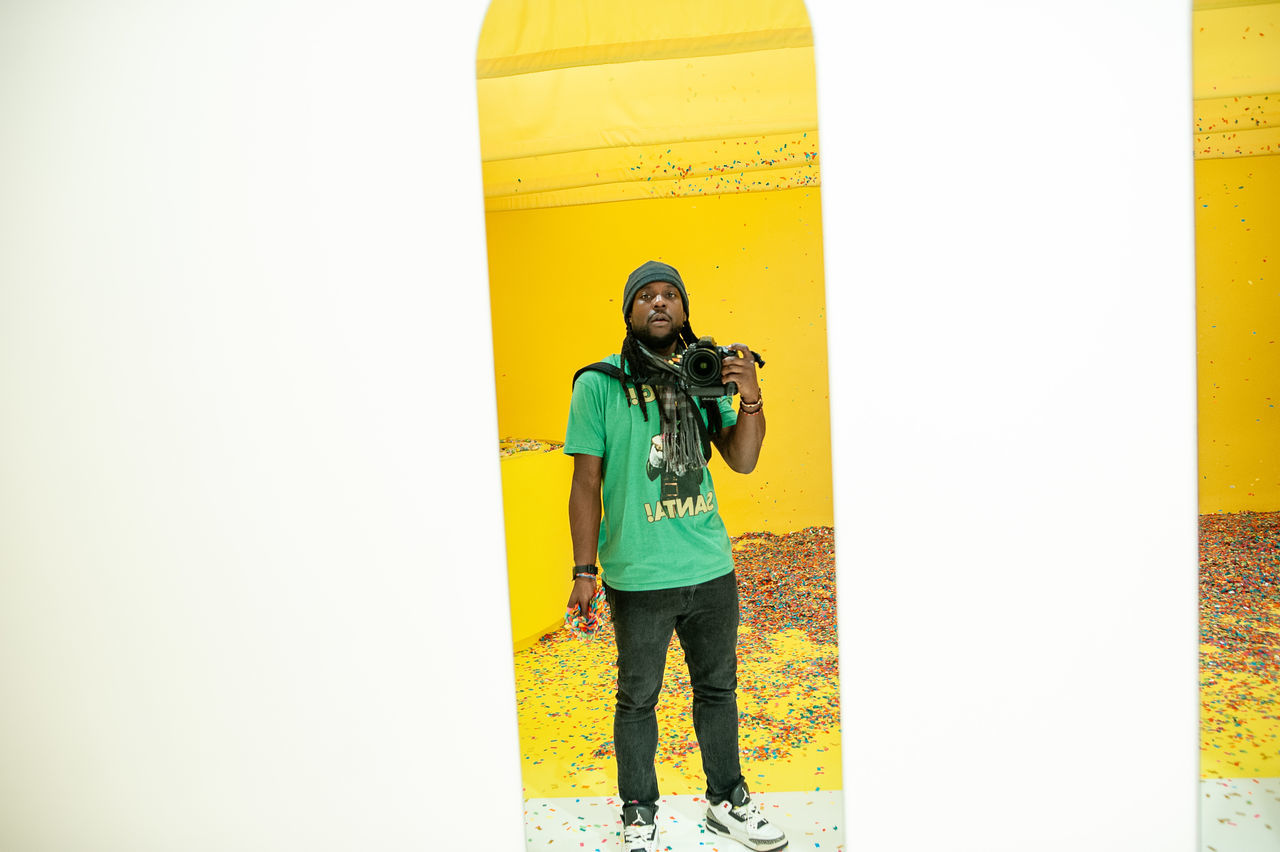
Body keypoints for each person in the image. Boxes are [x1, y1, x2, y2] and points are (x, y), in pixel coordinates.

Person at [563, 260, 787, 852]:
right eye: (645, 296)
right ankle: (639, 812)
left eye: (670, 296)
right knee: (638, 697)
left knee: (718, 688)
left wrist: (751, 398)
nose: (659, 304)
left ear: (685, 311)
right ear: (629, 312)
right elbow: (586, 483)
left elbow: (742, 461)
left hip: (710, 568)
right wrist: (585, 571)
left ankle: (726, 801)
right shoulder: (598, 384)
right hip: (638, 575)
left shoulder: (704, 376)